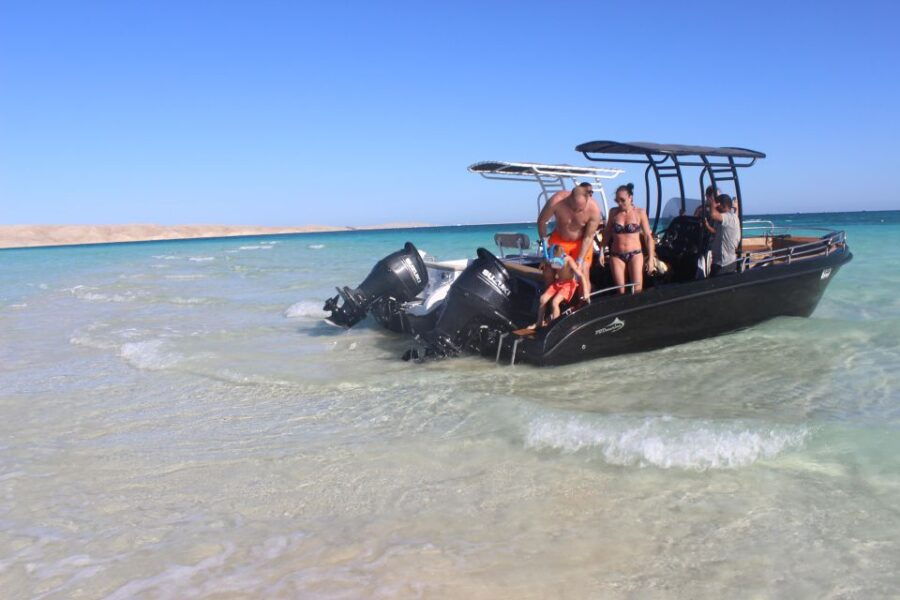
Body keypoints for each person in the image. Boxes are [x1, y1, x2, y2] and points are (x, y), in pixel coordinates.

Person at [537, 182, 602, 301]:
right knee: (548, 270)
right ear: (569, 198)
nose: (577, 211)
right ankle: (551, 301)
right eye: (574, 207)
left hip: (581, 242)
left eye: (580, 209)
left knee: (583, 270)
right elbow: (541, 222)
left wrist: (580, 259)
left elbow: (588, 237)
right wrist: (545, 246)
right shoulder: (557, 201)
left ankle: (582, 303)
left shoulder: (594, 209)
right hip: (559, 239)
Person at [602, 183, 655, 293]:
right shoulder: (613, 212)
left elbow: (647, 237)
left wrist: (651, 259)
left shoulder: (640, 212)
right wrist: (601, 252)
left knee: (637, 290)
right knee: (620, 291)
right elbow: (607, 233)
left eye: (622, 200)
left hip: (635, 254)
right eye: (617, 201)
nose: (620, 203)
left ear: (630, 197)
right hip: (616, 255)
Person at [533, 245, 587, 327]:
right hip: (558, 283)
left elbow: (581, 275)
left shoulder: (569, 260)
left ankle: (555, 326)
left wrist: (585, 291)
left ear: (559, 255)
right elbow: (546, 261)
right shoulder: (553, 258)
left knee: (555, 302)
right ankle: (539, 323)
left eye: (554, 258)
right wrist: (543, 262)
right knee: (543, 299)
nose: (553, 261)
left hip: (568, 285)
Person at [704, 193, 740, 275]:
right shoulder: (723, 219)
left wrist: (712, 205)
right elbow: (716, 232)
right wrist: (707, 226)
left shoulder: (730, 217)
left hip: (725, 263)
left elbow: (713, 215)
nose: (716, 208)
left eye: (718, 205)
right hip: (718, 261)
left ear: (723, 206)